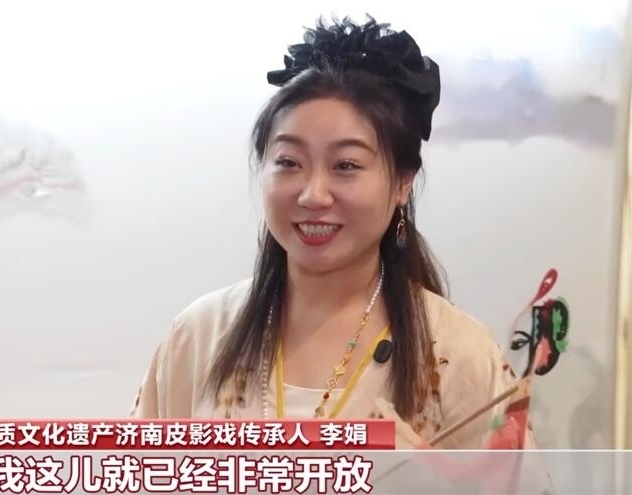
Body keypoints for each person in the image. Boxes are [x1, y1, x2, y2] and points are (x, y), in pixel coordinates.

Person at [128, 15, 531, 451]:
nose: (313, 195)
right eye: (289, 162)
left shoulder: (457, 354)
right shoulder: (199, 336)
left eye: (346, 166)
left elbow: (512, 478)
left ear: (402, 183)